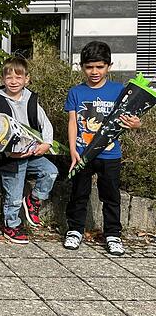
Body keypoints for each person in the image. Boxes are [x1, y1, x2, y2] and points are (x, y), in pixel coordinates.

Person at [64, 41, 140, 255]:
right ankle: (75, 230)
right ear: (82, 67)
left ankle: (113, 234)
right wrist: (73, 150)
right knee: (79, 193)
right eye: (89, 67)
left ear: (109, 66)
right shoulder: (76, 92)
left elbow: (133, 118)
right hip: (83, 154)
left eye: (99, 67)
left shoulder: (120, 91)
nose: (94, 72)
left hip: (110, 154)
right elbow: (72, 122)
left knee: (111, 196)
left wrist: (136, 124)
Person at [0, 57, 58, 244]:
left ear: (27, 79)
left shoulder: (31, 99)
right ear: (2, 79)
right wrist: (8, 152)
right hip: (11, 156)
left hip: (32, 152)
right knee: (14, 194)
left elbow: (46, 125)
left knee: (50, 172)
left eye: (18, 77)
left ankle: (34, 200)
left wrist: (46, 144)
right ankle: (11, 225)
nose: (13, 81)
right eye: (9, 77)